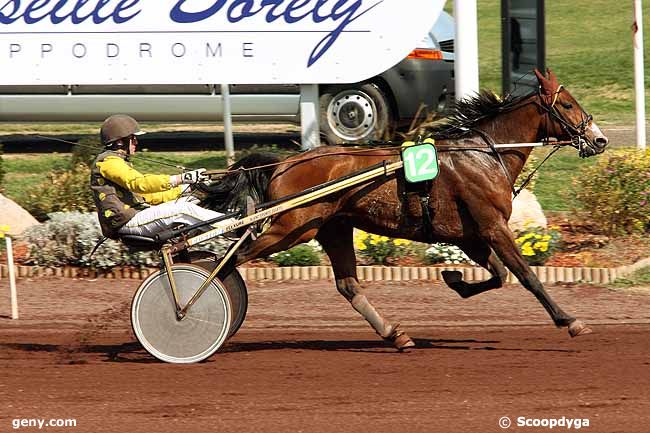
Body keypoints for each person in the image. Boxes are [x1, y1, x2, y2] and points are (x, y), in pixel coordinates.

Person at [90, 114, 229, 240]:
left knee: (191, 199)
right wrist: (182, 178)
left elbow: (148, 196)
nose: (136, 143)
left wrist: (184, 189)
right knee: (183, 209)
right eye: (133, 139)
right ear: (120, 142)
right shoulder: (108, 162)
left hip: (135, 216)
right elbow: (140, 183)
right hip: (126, 222)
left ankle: (229, 225)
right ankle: (235, 227)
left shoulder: (118, 162)